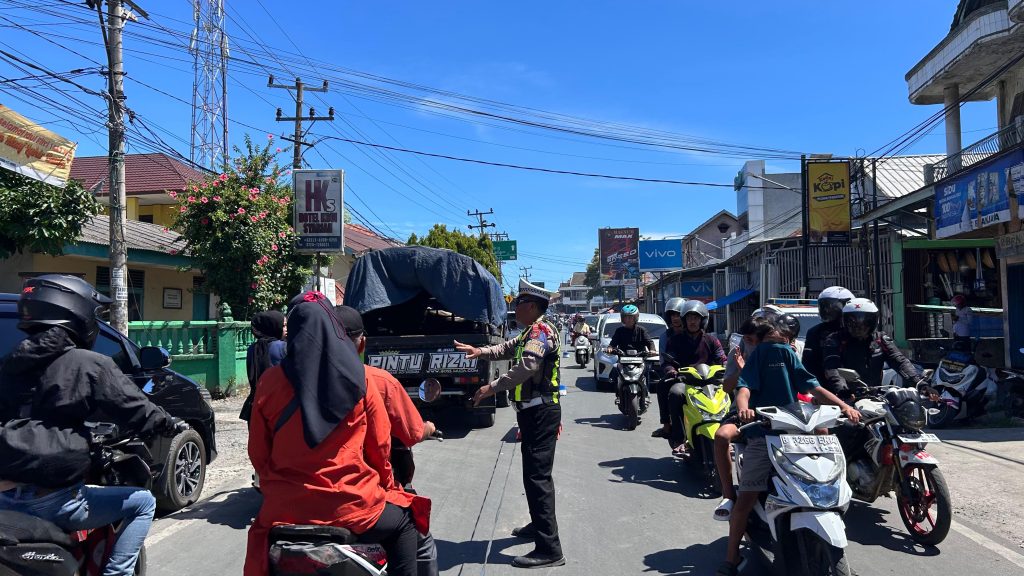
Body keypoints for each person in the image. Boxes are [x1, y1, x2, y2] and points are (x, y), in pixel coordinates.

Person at [0, 275, 185, 576]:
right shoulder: (90, 363)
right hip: (54, 500)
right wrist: (167, 423)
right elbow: (135, 408)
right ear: (76, 312)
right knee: (143, 502)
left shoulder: (11, 363)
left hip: (6, 495)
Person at [244, 293, 425, 576]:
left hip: (283, 508)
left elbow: (258, 452)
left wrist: (277, 487)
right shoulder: (362, 380)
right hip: (351, 505)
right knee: (406, 525)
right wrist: (388, 487)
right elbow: (380, 447)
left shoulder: (270, 381)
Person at [718, 315, 860, 576]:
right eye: (770, 329)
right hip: (763, 432)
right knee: (746, 498)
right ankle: (731, 558)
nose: (776, 334)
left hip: (794, 430)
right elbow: (743, 389)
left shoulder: (788, 353)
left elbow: (813, 387)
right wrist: (744, 410)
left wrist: (844, 407)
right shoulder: (759, 354)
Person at [455, 279, 565, 569]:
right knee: (533, 476)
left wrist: (491, 387)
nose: (514, 309)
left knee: (538, 479)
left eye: (518, 304)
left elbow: (526, 367)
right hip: (532, 413)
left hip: (541, 413)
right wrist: (479, 351)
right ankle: (538, 526)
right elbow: (506, 349)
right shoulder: (531, 332)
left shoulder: (540, 332)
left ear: (531, 307)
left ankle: (550, 549)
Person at [334, 305, 439, 576]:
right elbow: (399, 439)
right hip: (358, 501)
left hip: (289, 502)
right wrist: (427, 428)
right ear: (362, 343)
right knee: (417, 535)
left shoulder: (279, 382)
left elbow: (260, 455)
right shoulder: (374, 381)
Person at [819, 298, 925, 400]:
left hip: (874, 397)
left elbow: (899, 361)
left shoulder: (881, 340)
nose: (859, 327)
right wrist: (842, 389)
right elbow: (832, 368)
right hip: (843, 398)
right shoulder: (835, 340)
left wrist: (920, 384)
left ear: (874, 322)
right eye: (853, 322)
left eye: (865, 322)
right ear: (845, 321)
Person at [662, 300, 727, 457]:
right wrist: (671, 371)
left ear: (703, 320)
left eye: (696, 318)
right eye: (690, 318)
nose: (692, 321)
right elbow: (668, 362)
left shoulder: (712, 340)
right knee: (675, 394)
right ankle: (679, 439)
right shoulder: (675, 340)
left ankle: (732, 434)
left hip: (711, 383)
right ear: (685, 320)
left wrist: (727, 367)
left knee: (731, 393)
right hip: (686, 383)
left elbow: (722, 359)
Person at [801, 286, 854, 383]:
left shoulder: (854, 331)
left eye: (830, 306)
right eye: (823, 306)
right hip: (824, 385)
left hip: (857, 383)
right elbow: (808, 363)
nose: (826, 310)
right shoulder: (815, 332)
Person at [652, 297, 687, 439]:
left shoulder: (702, 335)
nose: (675, 318)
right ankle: (667, 425)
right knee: (662, 386)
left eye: (678, 315)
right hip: (676, 374)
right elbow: (664, 359)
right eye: (672, 315)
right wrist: (671, 370)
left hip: (701, 375)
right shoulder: (667, 337)